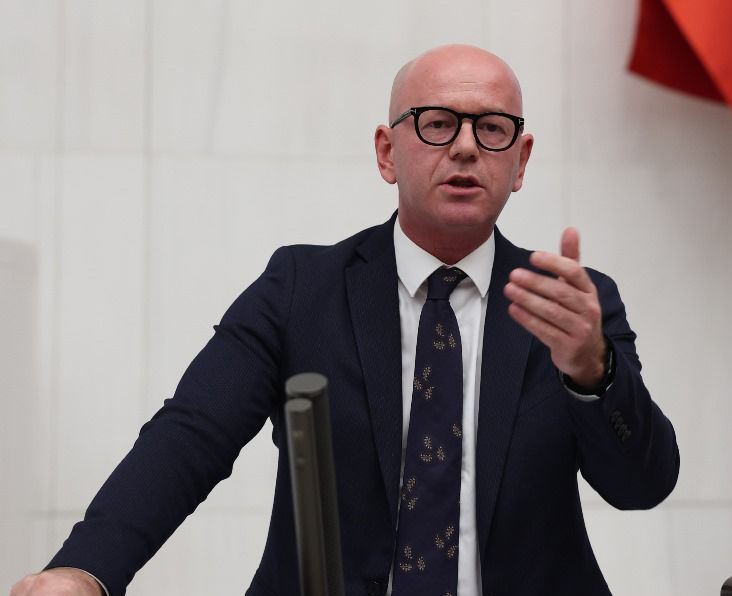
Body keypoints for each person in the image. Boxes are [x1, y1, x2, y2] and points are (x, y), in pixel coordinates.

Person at [11, 44, 679, 596]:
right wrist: (86, 570)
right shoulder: (301, 289)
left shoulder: (570, 304)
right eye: (437, 123)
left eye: (492, 128)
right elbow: (190, 435)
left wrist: (593, 373)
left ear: (521, 160)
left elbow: (642, 487)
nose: (465, 148)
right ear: (387, 152)